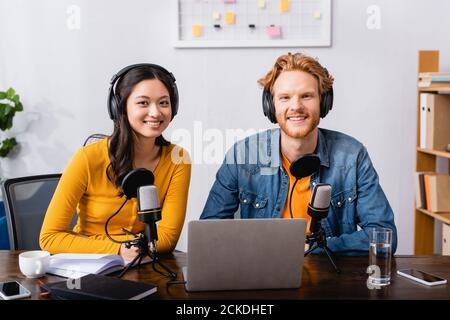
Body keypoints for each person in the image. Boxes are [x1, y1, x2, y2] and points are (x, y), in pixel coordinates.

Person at [200, 53, 397, 255]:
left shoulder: (352, 156)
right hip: (261, 276)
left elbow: (383, 235)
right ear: (270, 106)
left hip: (329, 278)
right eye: (285, 97)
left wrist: (315, 248)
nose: (296, 106)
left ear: (324, 103)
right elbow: (208, 233)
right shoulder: (242, 155)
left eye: (306, 96)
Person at [40, 64, 191, 261]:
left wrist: (133, 250)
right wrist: (118, 249)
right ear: (119, 107)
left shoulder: (178, 159)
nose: (155, 112)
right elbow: (50, 238)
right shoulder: (88, 158)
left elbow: (166, 239)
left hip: (143, 265)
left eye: (163, 103)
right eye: (143, 103)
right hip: (90, 264)